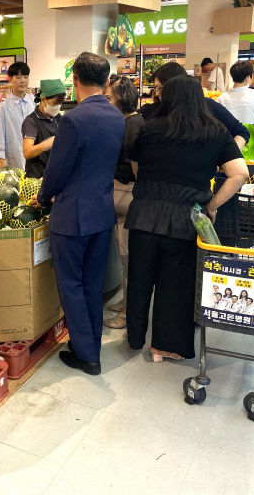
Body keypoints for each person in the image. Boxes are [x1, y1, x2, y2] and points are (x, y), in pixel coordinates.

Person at [125, 76, 249, 362]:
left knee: (140, 280)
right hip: (184, 219)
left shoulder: (151, 128)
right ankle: (164, 347)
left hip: (144, 214)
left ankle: (134, 338)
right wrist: (212, 206)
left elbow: (136, 163)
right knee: (176, 286)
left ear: (167, 98)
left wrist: (147, 185)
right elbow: (239, 173)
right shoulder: (215, 132)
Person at [35, 52, 125, 376]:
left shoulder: (73, 120)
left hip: (71, 216)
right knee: (92, 284)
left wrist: (42, 196)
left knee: (70, 284)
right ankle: (92, 345)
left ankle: (85, 354)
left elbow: (57, 170)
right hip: (102, 213)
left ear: (74, 81)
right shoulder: (117, 117)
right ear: (107, 82)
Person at [103, 75, 145, 329]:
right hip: (125, 192)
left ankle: (128, 314)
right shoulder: (131, 122)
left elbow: (136, 168)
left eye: (109, 98)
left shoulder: (132, 126)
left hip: (127, 193)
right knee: (124, 254)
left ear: (122, 98)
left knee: (129, 259)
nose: (106, 103)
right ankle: (125, 303)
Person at [139, 62, 250, 149]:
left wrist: (229, 156)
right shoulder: (150, 111)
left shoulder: (206, 106)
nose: (157, 94)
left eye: (160, 88)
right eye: (156, 88)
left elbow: (242, 132)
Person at [0, 61, 35, 170]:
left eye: (26, 77)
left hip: (35, 162)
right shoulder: (3, 108)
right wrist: (2, 167)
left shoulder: (33, 102)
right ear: (10, 79)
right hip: (14, 163)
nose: (23, 81)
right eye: (18, 77)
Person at [21, 79, 65, 178]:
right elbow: (27, 153)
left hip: (53, 174)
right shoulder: (31, 121)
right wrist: (46, 145)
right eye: (55, 103)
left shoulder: (57, 117)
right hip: (37, 178)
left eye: (60, 103)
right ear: (43, 100)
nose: (58, 107)